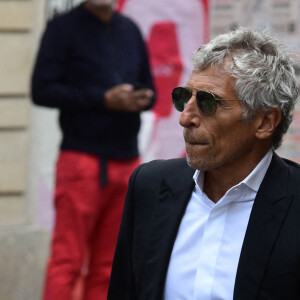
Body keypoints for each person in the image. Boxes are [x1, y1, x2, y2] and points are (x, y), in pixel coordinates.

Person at [107, 27, 300, 300]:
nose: (185, 119)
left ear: (265, 122)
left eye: (208, 103)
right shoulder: (150, 187)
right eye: (183, 98)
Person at [31, 0, 155, 299]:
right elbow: (42, 90)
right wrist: (102, 99)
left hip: (126, 161)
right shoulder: (63, 28)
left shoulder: (129, 29)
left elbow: (149, 88)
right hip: (81, 160)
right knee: (67, 261)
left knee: (110, 266)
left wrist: (142, 98)